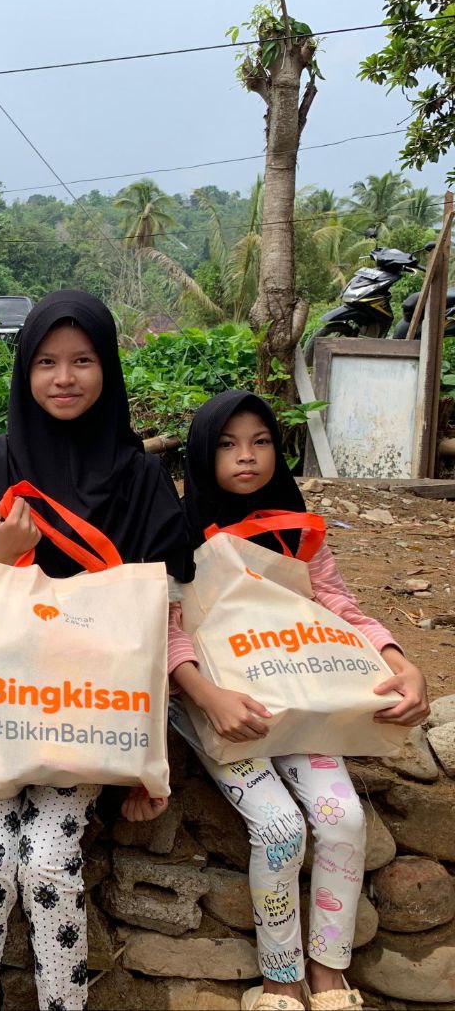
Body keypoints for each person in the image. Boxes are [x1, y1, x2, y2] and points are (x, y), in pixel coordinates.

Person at [0, 291, 194, 1011]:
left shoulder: (142, 479)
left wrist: (147, 752)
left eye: (83, 361)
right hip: (5, 704)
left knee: (50, 859)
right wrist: (1, 556)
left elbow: (161, 609)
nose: (64, 378)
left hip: (90, 710)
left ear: (107, 367)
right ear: (25, 372)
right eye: (46, 362)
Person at [171, 390, 430, 1011]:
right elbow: (165, 626)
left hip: (293, 692)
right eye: (228, 444)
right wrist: (208, 695)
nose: (247, 456)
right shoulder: (176, 530)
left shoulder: (298, 529)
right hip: (219, 705)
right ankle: (281, 980)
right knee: (280, 827)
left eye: (261, 442)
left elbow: (336, 604)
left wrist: (398, 659)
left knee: (344, 820)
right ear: (202, 454)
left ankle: (330, 974)